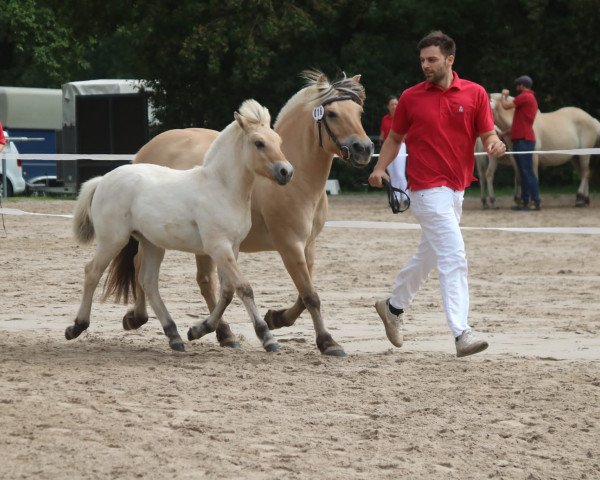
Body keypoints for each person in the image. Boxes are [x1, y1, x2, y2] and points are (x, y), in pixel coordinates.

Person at [368, 30, 506, 357]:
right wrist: (380, 168)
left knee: (428, 255)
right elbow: (394, 139)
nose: (425, 65)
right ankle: (461, 332)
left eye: (431, 60)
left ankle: (393, 307)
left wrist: (495, 145)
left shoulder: (474, 94)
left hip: (457, 188)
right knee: (453, 254)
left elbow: (487, 135)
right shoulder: (411, 98)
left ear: (449, 59)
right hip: (426, 189)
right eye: (422, 60)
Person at [500, 75, 541, 210]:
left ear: (522, 86)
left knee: (527, 171)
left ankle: (535, 201)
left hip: (524, 140)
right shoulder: (529, 98)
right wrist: (505, 133)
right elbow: (520, 123)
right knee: (523, 172)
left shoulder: (525, 96)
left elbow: (505, 106)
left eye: (518, 85)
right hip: (522, 138)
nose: (517, 88)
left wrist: (504, 95)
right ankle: (525, 201)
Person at [379, 95, 408, 194]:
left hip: (400, 145)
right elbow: (382, 135)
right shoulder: (385, 119)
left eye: (396, 104)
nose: (394, 106)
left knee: (400, 174)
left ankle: (405, 197)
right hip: (387, 147)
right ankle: (395, 197)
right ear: (388, 106)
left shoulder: (402, 117)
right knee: (392, 175)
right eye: (392, 104)